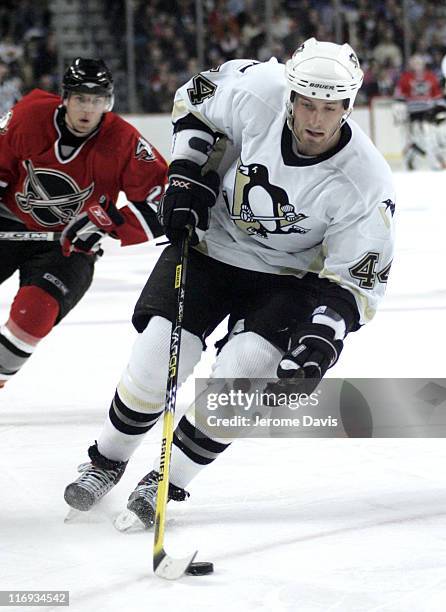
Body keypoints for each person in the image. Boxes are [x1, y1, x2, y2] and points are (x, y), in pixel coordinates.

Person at [65, 38, 395, 529]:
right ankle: (106, 461)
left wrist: (324, 337)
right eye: (307, 103)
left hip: (290, 278)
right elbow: (196, 105)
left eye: (330, 108)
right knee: (157, 358)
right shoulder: (257, 88)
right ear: (290, 94)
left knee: (248, 373)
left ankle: (167, 478)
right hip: (211, 244)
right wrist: (184, 175)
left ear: (348, 105)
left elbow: (355, 276)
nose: (316, 120)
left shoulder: (366, 180)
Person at [0, 58, 167, 387]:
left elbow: (164, 201)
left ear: (109, 102)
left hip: (69, 246)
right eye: (80, 98)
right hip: (8, 226)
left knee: (33, 316)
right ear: (64, 98)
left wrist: (105, 223)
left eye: (96, 100)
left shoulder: (123, 141)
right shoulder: (29, 114)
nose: (87, 110)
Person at [394, 54, 443, 169]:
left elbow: (437, 97)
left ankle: (433, 162)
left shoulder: (431, 77)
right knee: (414, 138)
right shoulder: (405, 78)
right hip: (412, 113)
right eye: (415, 63)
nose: (417, 65)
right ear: (411, 64)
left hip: (428, 112)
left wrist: (438, 111)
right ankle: (410, 161)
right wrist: (400, 113)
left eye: (419, 63)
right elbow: (399, 97)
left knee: (429, 136)